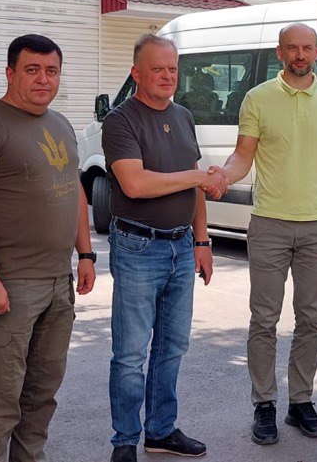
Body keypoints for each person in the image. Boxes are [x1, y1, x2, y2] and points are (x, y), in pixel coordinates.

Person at [0, 33, 96, 462]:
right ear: (11, 73)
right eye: (32, 70)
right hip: (8, 284)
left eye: (51, 71)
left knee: (41, 395)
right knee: (0, 401)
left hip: (57, 283)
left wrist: (84, 254)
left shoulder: (61, 124)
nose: (43, 79)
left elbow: (75, 192)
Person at [213, 22, 317, 445]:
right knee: (264, 320)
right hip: (269, 224)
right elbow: (243, 156)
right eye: (292, 48)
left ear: (316, 52)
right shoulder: (257, 98)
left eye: (306, 48)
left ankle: (300, 402)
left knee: (310, 319)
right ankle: (264, 404)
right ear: (280, 53)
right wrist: (223, 175)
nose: (299, 55)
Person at [103, 33, 223, 461]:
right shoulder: (120, 121)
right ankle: (124, 442)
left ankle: (160, 430)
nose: (168, 76)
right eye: (158, 68)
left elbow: (196, 188)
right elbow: (135, 184)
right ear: (137, 73)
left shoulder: (184, 116)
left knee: (173, 347)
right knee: (131, 354)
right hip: (138, 246)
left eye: (173, 68)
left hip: (181, 245)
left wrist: (203, 240)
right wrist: (197, 178)